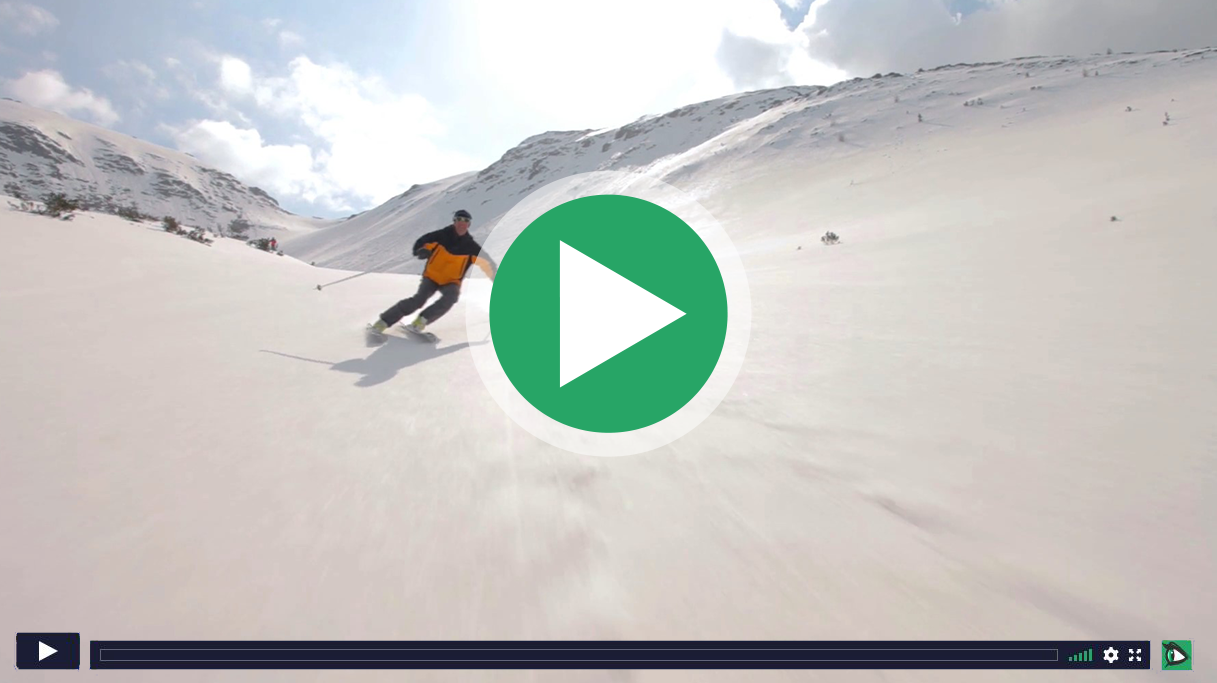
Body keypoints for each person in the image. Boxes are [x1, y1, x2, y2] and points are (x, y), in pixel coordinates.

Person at [366, 209, 496, 344]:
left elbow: (488, 264)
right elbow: (422, 242)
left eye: (465, 221)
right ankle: (381, 323)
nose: (462, 223)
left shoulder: (472, 247)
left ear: (469, 224)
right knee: (418, 300)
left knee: (451, 297)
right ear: (454, 221)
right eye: (459, 219)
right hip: (431, 276)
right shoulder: (441, 236)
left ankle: (419, 323)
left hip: (451, 281)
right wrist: (422, 250)